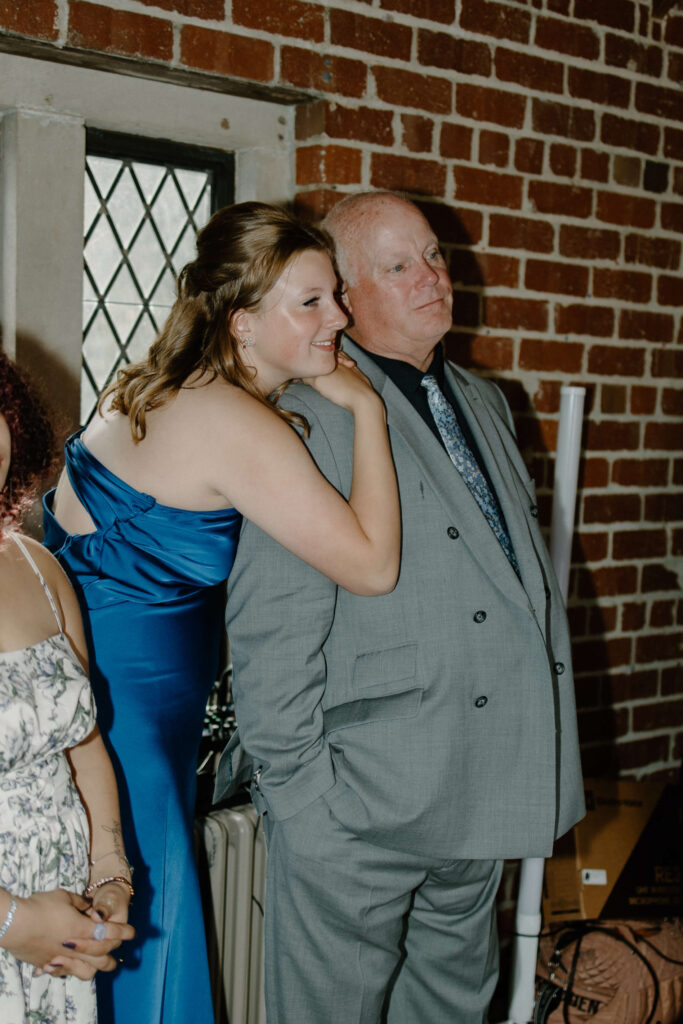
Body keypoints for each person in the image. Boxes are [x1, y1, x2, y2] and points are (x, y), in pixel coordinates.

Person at [215, 191, 586, 1023]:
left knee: (452, 1007)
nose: (430, 278)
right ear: (343, 296)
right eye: (397, 265)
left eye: (433, 257)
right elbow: (271, 637)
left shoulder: (486, 402)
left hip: (479, 787)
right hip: (359, 801)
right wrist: (308, 807)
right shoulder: (301, 419)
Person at [42, 201, 401, 1024]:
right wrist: (368, 411)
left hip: (85, 713)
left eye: (334, 296)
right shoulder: (236, 424)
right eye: (308, 302)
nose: (338, 318)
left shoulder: (145, 389)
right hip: (131, 732)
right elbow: (372, 565)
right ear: (242, 322)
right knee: (141, 952)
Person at [0, 352, 134, 1023]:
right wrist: (11, 921)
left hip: (58, 911)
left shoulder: (38, 566)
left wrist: (110, 876)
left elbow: (83, 743)